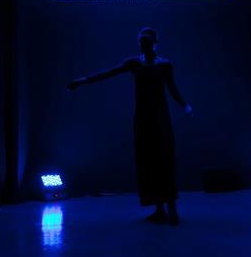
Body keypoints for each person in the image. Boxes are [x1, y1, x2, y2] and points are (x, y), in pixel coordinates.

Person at [67, 27, 192, 225]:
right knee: (148, 161)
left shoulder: (165, 64)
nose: (143, 45)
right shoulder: (134, 63)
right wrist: (84, 80)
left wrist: (184, 105)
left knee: (164, 160)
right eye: (141, 42)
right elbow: (109, 73)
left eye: (146, 41)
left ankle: (171, 208)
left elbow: (172, 88)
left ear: (154, 43)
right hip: (143, 118)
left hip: (160, 117)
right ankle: (160, 209)